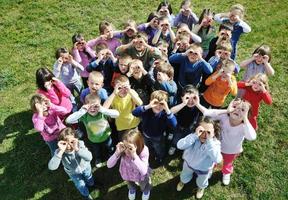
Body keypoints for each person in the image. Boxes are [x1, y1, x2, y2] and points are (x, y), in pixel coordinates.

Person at [195, 97, 256, 186]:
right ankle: (211, 169)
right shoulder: (224, 117)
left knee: (227, 163)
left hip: (231, 151)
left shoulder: (244, 126)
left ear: (247, 114)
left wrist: (245, 119)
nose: (237, 110)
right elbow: (207, 113)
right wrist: (226, 111)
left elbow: (252, 137)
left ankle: (226, 172)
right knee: (213, 159)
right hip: (217, 147)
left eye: (242, 110)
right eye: (235, 106)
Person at [66, 94, 119, 167]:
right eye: (90, 106)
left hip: (106, 137)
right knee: (97, 151)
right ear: (85, 106)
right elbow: (69, 120)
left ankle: (111, 155)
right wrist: (82, 111)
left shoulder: (102, 113)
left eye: (95, 106)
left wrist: (102, 109)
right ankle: (98, 158)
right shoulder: (84, 116)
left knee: (110, 147)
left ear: (99, 105)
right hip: (93, 140)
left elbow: (117, 114)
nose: (93, 109)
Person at [176, 117, 222, 199]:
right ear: (196, 129)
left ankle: (201, 188)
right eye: (201, 131)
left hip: (203, 169)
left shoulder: (215, 143)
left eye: (208, 132)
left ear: (214, 133)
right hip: (188, 164)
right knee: (184, 175)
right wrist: (194, 136)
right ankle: (183, 181)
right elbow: (179, 145)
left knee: (202, 181)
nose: (204, 135)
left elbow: (217, 159)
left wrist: (210, 141)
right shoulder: (193, 137)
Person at [48, 128, 95, 200]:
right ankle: (86, 194)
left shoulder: (80, 144)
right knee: (80, 185)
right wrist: (61, 151)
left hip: (86, 167)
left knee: (89, 176)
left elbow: (89, 157)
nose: (69, 146)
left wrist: (77, 149)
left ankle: (91, 184)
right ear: (61, 143)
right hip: (73, 173)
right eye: (65, 143)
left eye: (72, 142)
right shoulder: (59, 151)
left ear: (75, 140)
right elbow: (52, 167)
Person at [132, 90, 177, 164]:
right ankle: (148, 152)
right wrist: (148, 106)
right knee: (146, 145)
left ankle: (160, 157)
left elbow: (174, 124)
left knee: (159, 148)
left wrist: (167, 109)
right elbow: (134, 113)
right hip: (145, 134)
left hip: (157, 137)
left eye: (161, 104)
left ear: (165, 105)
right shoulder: (146, 110)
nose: (158, 106)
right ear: (150, 102)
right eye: (155, 103)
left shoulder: (165, 114)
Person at [107, 129, 152, 200]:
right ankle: (132, 189)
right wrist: (117, 152)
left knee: (144, 185)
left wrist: (134, 155)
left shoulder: (144, 151)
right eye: (125, 146)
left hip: (141, 176)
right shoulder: (122, 151)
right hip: (127, 173)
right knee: (130, 183)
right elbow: (109, 165)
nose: (126, 150)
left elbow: (143, 171)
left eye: (130, 148)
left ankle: (146, 191)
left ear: (138, 145)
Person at [103, 75, 143, 140]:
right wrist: (114, 93)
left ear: (129, 86)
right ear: (115, 88)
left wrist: (129, 91)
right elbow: (104, 108)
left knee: (135, 143)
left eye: (125, 87)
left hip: (134, 124)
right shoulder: (113, 96)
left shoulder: (131, 92)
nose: (123, 90)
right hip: (121, 127)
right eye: (119, 88)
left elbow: (140, 104)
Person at [168, 85, 200, 155]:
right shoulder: (181, 105)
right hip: (179, 126)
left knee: (187, 138)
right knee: (176, 138)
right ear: (182, 98)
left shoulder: (197, 106)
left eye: (194, 98)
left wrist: (197, 104)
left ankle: (184, 147)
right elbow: (171, 111)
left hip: (190, 127)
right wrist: (183, 103)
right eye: (187, 98)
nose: (191, 101)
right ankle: (173, 146)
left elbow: (206, 112)